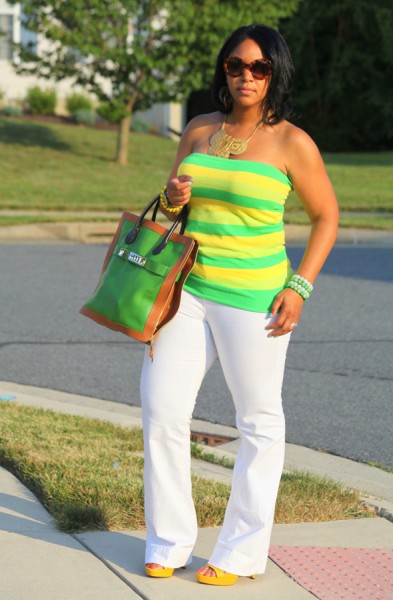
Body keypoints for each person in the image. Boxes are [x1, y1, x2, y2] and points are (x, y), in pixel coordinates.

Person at [141, 23, 339, 586]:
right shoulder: (201, 129)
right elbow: (174, 205)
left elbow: (327, 217)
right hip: (188, 292)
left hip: (255, 302)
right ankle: (169, 540)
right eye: (235, 65)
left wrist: (298, 287)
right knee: (161, 410)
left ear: (276, 73)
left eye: (259, 68)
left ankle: (242, 552)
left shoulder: (292, 143)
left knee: (257, 422)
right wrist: (172, 195)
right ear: (222, 71)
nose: (246, 76)